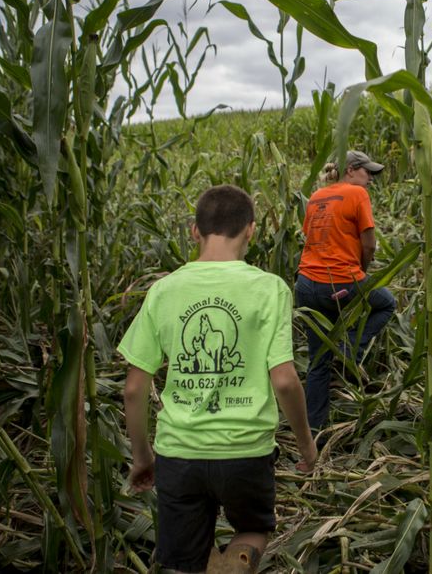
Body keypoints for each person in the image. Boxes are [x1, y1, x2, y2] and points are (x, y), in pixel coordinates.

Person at [120, 184, 317, 574]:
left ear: (194, 231)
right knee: (254, 528)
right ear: (251, 231)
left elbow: (134, 388)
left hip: (179, 453)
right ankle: (237, 562)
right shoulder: (269, 289)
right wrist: (307, 447)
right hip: (246, 452)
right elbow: (284, 381)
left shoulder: (164, 291)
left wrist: (143, 456)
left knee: (186, 559)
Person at [296, 149, 397, 431]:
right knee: (386, 304)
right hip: (340, 281)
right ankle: (346, 350)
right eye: (367, 173)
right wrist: (361, 272)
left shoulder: (316, 196)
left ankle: (314, 431)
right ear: (351, 169)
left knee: (317, 362)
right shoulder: (357, 194)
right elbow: (369, 244)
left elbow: (312, 238)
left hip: (305, 285)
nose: (370, 181)